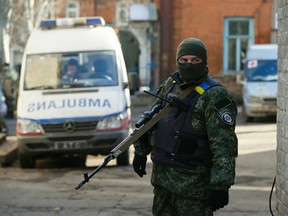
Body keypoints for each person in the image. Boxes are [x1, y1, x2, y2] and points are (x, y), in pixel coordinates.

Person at [132, 38, 238, 215]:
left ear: (204, 62)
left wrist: (220, 185)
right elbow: (152, 120)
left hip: (193, 187)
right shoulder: (170, 85)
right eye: (184, 60)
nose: (189, 65)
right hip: (162, 182)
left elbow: (224, 145)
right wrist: (140, 151)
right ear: (177, 62)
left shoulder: (215, 96)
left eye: (195, 60)